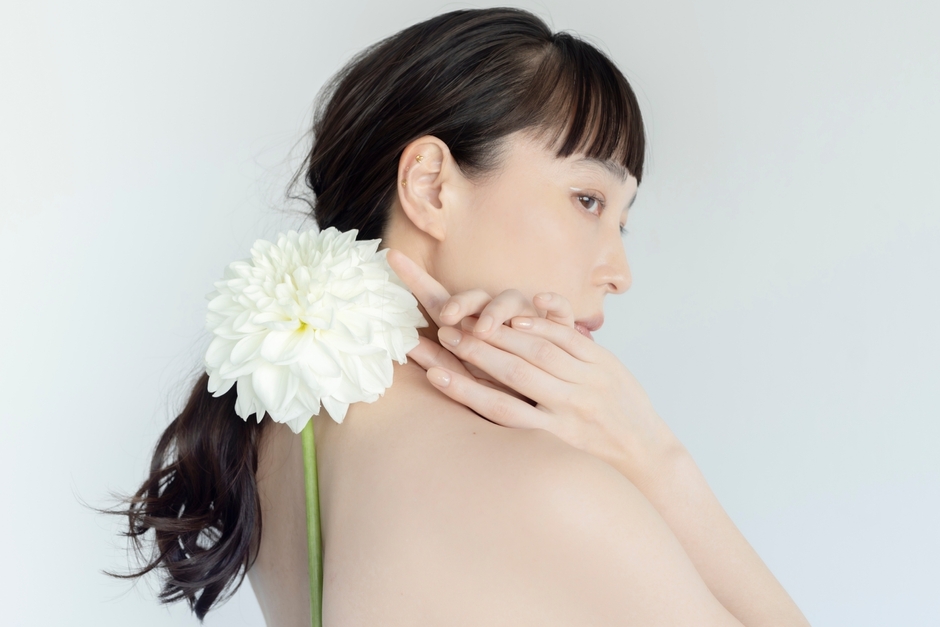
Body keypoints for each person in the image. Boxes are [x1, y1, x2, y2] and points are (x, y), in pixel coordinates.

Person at [108, 7, 811, 626]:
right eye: (589, 200)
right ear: (431, 187)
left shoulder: (275, 439)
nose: (619, 272)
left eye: (620, 221)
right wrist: (655, 457)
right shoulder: (546, 490)